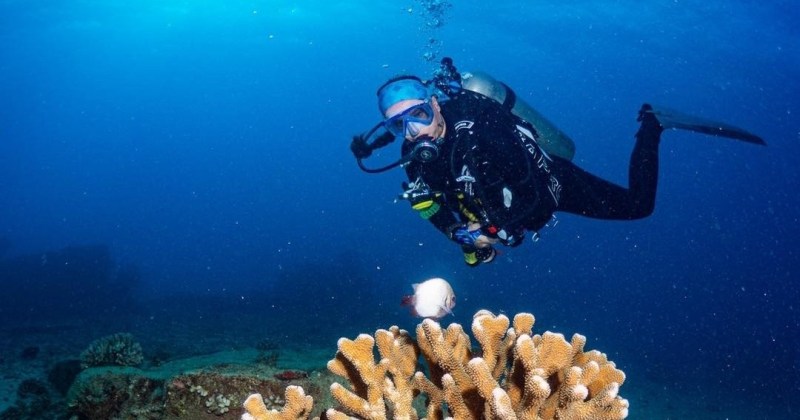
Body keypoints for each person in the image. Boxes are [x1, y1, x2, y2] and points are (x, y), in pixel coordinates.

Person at [351, 58, 764, 267]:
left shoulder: (482, 127)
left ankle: (653, 123)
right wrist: (459, 235)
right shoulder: (414, 160)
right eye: (399, 123)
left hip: (552, 183)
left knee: (640, 206)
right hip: (503, 211)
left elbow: (534, 191)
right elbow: (426, 205)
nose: (413, 131)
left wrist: (497, 228)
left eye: (419, 115)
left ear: (435, 105)